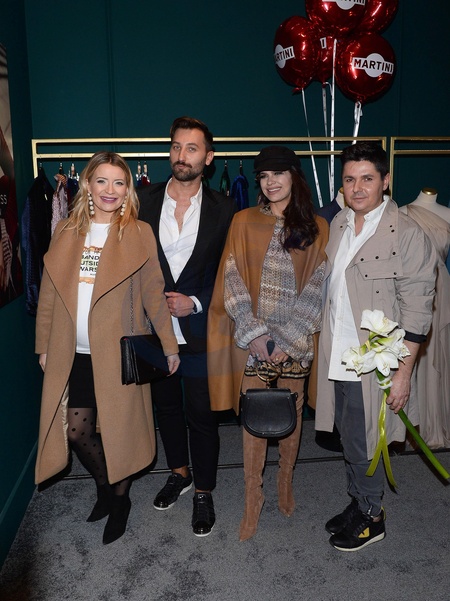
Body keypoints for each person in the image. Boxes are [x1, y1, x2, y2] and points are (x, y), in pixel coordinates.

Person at [35, 151, 180, 545]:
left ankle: (119, 500)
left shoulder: (138, 232)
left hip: (120, 352)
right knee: (76, 430)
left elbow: (154, 295)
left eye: (119, 182)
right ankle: (106, 486)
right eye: (102, 181)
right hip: (74, 351)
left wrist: (169, 345)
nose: (110, 190)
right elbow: (49, 293)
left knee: (120, 433)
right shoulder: (66, 230)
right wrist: (44, 345)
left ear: (127, 189)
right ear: (87, 184)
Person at [315, 142, 437, 551]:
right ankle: (359, 501)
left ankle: (372, 517)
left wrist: (403, 374)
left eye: (367, 178)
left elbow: (418, 310)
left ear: (385, 181)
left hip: (374, 364)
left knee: (366, 440)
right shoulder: (339, 224)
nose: (358, 187)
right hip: (338, 355)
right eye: (350, 179)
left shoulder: (407, 234)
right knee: (350, 438)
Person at [208, 146, 328, 541]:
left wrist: (288, 340)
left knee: (291, 420)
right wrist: (255, 334)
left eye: (278, 173)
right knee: (254, 423)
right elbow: (230, 278)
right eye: (263, 175)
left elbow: (319, 286)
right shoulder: (243, 221)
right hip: (254, 345)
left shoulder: (317, 226)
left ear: (294, 176)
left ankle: (285, 482)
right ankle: (252, 497)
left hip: (296, 343)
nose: (270, 181)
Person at [137, 117, 236, 537]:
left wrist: (194, 302)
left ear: (208, 158)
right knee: (166, 409)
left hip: (200, 330)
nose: (182, 156)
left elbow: (232, 272)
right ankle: (179, 472)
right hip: (152, 330)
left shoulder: (226, 209)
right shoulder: (141, 200)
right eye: (176, 147)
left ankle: (204, 491)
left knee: (202, 415)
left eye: (192, 149)